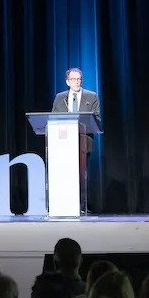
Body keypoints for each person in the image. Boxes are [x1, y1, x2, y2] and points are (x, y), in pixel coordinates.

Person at [52, 68, 101, 213]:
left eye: (79, 79)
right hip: (63, 142)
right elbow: (53, 118)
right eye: (73, 79)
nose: (77, 82)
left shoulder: (91, 96)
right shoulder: (60, 97)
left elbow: (97, 119)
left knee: (80, 175)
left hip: (83, 141)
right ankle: (64, 205)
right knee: (65, 175)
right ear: (67, 81)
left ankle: (81, 206)